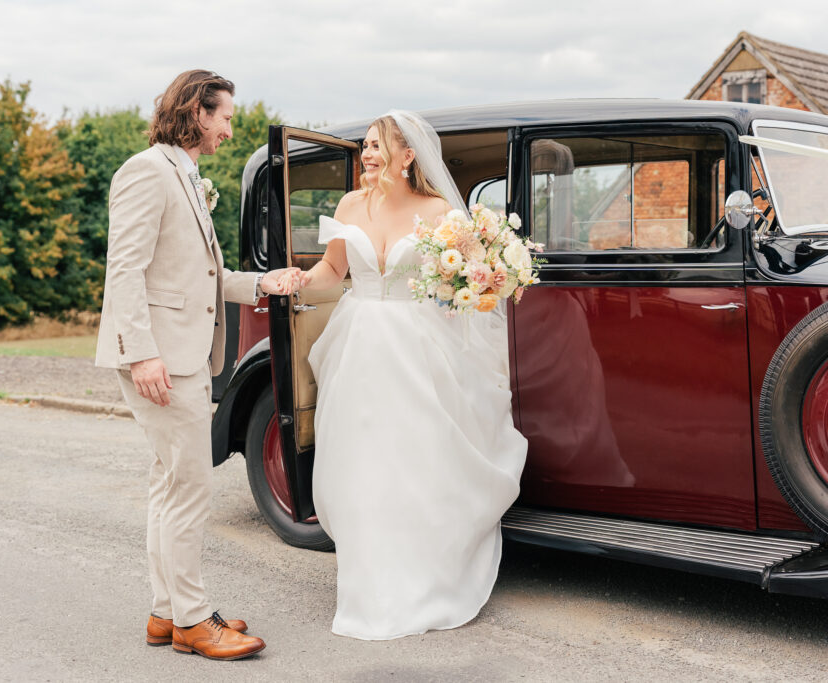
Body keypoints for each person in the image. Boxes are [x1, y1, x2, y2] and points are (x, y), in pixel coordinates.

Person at [284, 111, 528, 640]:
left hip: (417, 344)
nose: (367, 154)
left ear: (409, 154)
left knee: (416, 459)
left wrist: (481, 280)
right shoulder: (350, 205)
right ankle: (367, 583)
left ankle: (425, 580)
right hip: (359, 342)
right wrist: (298, 280)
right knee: (361, 460)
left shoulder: (439, 210)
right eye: (366, 145)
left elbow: (462, 278)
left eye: (377, 146)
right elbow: (333, 272)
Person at [95, 69, 295, 661]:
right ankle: (192, 620)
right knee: (191, 485)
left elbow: (202, 278)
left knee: (170, 481)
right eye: (226, 117)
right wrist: (144, 354)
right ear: (198, 112)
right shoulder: (146, 172)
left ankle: (166, 614)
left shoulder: (187, 177)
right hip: (161, 357)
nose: (230, 128)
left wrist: (265, 281)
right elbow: (124, 271)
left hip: (180, 354)